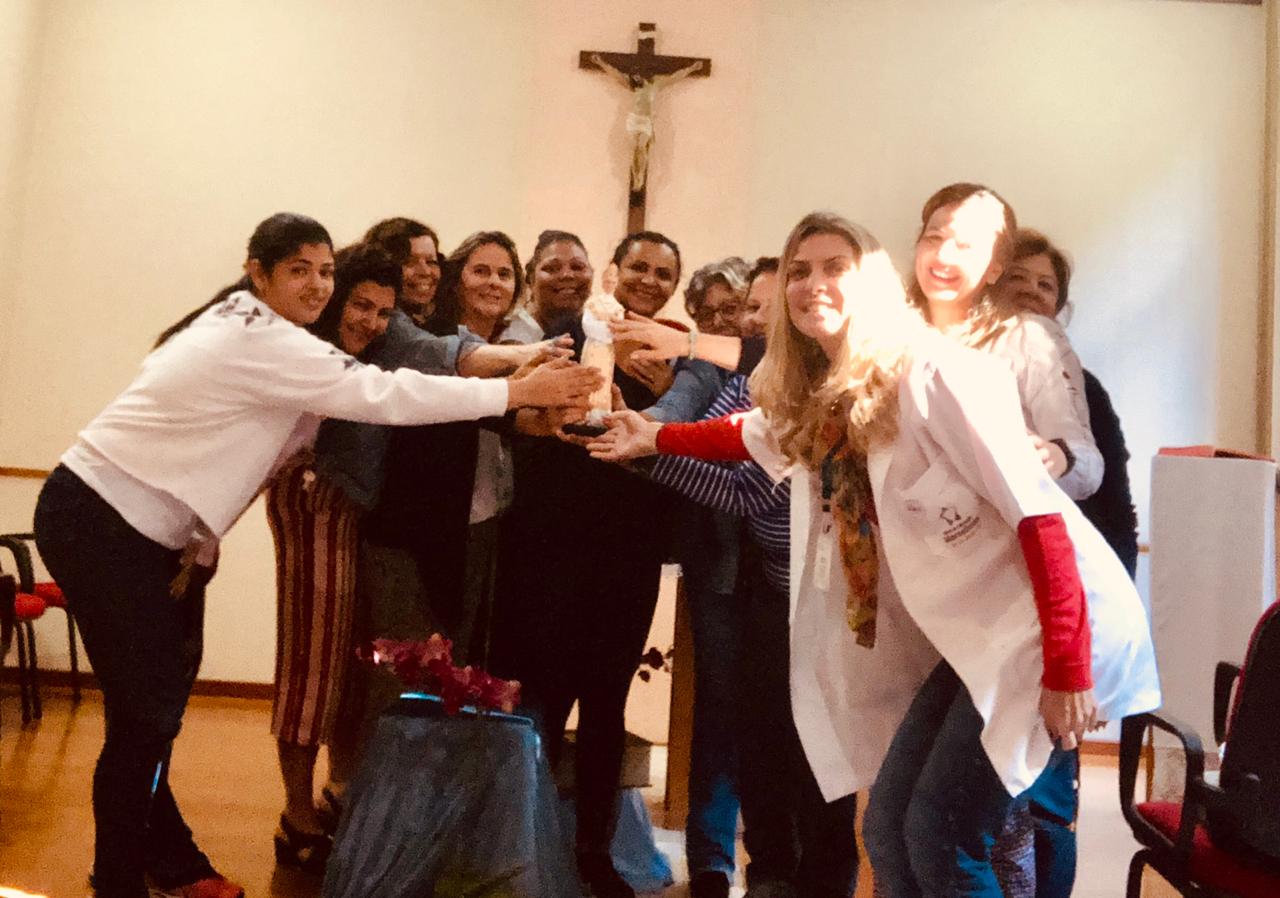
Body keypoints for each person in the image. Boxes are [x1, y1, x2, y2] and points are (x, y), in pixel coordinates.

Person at [587, 211, 1160, 898]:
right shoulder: (832, 394)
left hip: (1046, 626)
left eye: (837, 267)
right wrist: (650, 436)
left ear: (876, 284)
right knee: (888, 826)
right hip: (980, 634)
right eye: (800, 270)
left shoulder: (936, 372)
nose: (813, 283)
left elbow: (1041, 518)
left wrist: (1068, 669)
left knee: (944, 834)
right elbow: (752, 433)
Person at [31, 213, 598, 898]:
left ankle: (168, 859)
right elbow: (383, 394)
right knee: (146, 715)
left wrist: (200, 544)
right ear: (258, 272)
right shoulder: (259, 337)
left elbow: (260, 448)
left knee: (154, 711)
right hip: (99, 520)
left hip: (157, 539)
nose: (318, 285)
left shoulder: (272, 334)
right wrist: (517, 389)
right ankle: (117, 880)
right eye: (299, 270)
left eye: (325, 270)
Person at [649, 257, 861, 898]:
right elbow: (734, 473)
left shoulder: (842, 385)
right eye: (754, 308)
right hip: (768, 589)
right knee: (761, 737)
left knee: (823, 752)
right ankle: (765, 873)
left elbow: (751, 481)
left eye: (767, 310)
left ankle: (822, 880)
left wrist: (649, 446)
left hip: (833, 601)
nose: (755, 321)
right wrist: (647, 444)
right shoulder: (749, 385)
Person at [490, 231, 685, 898]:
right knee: (543, 700)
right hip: (550, 552)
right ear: (614, 273)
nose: (650, 280)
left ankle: (594, 853)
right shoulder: (566, 341)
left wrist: (660, 407)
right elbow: (518, 426)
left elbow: (682, 451)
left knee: (607, 704)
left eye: (663, 273)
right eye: (639, 267)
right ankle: (527, 851)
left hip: (628, 558)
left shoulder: (676, 357)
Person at [990, 228, 1141, 898]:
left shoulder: (1085, 393)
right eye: (1015, 279)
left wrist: (1092, 646)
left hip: (1060, 624)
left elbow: (1116, 517)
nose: (1029, 292)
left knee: (1046, 802)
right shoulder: (959, 377)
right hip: (983, 622)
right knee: (984, 806)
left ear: (1061, 307)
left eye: (1044, 285)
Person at [263, 243, 398, 871]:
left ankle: (321, 801)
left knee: (339, 668)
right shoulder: (307, 354)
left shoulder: (352, 357)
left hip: (346, 513)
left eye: (383, 313)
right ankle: (296, 814)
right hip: (313, 502)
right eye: (360, 305)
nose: (370, 321)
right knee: (310, 663)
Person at [503, 230, 594, 345]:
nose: (567, 275)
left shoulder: (596, 328)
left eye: (577, 267)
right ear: (531, 279)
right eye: (552, 268)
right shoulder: (514, 339)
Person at [363, 217, 442, 328]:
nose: (426, 272)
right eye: (409, 262)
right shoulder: (386, 323)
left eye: (431, 262)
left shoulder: (432, 318)